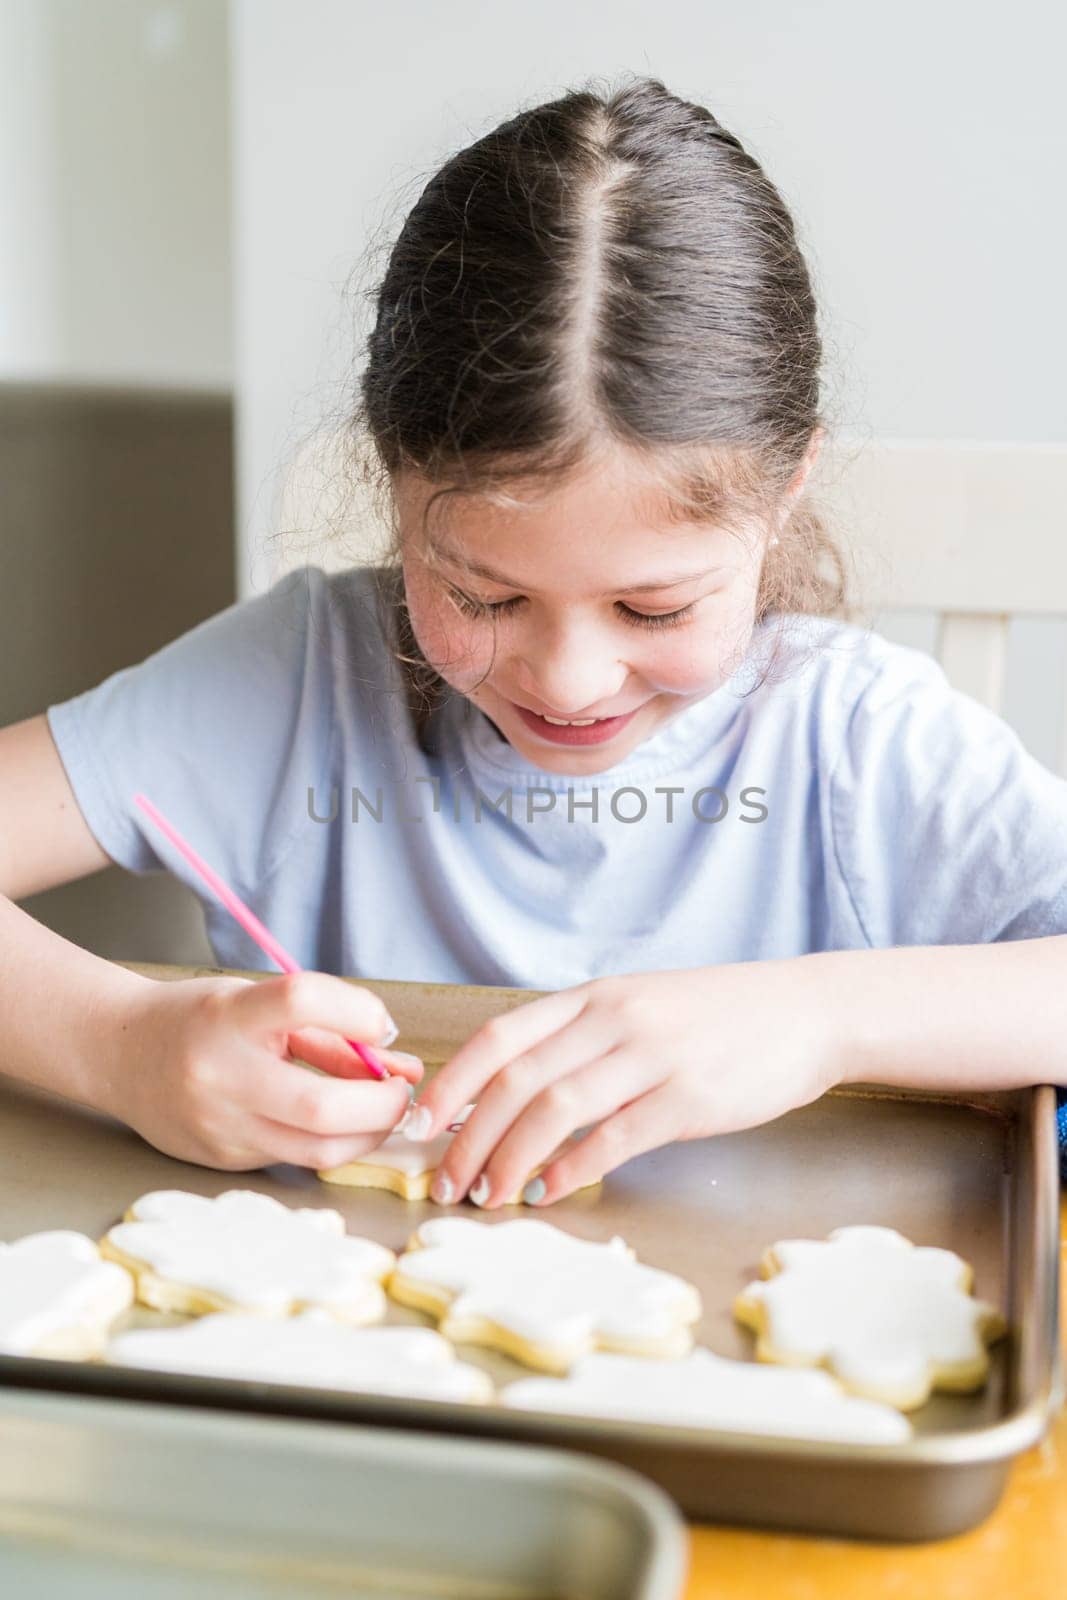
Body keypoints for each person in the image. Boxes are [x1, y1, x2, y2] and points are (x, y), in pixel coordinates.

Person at [2, 77, 1065, 1197]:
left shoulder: (857, 744)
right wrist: (119, 1044)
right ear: (394, 481)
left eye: (651, 609)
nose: (568, 677)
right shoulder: (297, 682)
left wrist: (817, 1019)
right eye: (483, 595)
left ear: (784, 493)